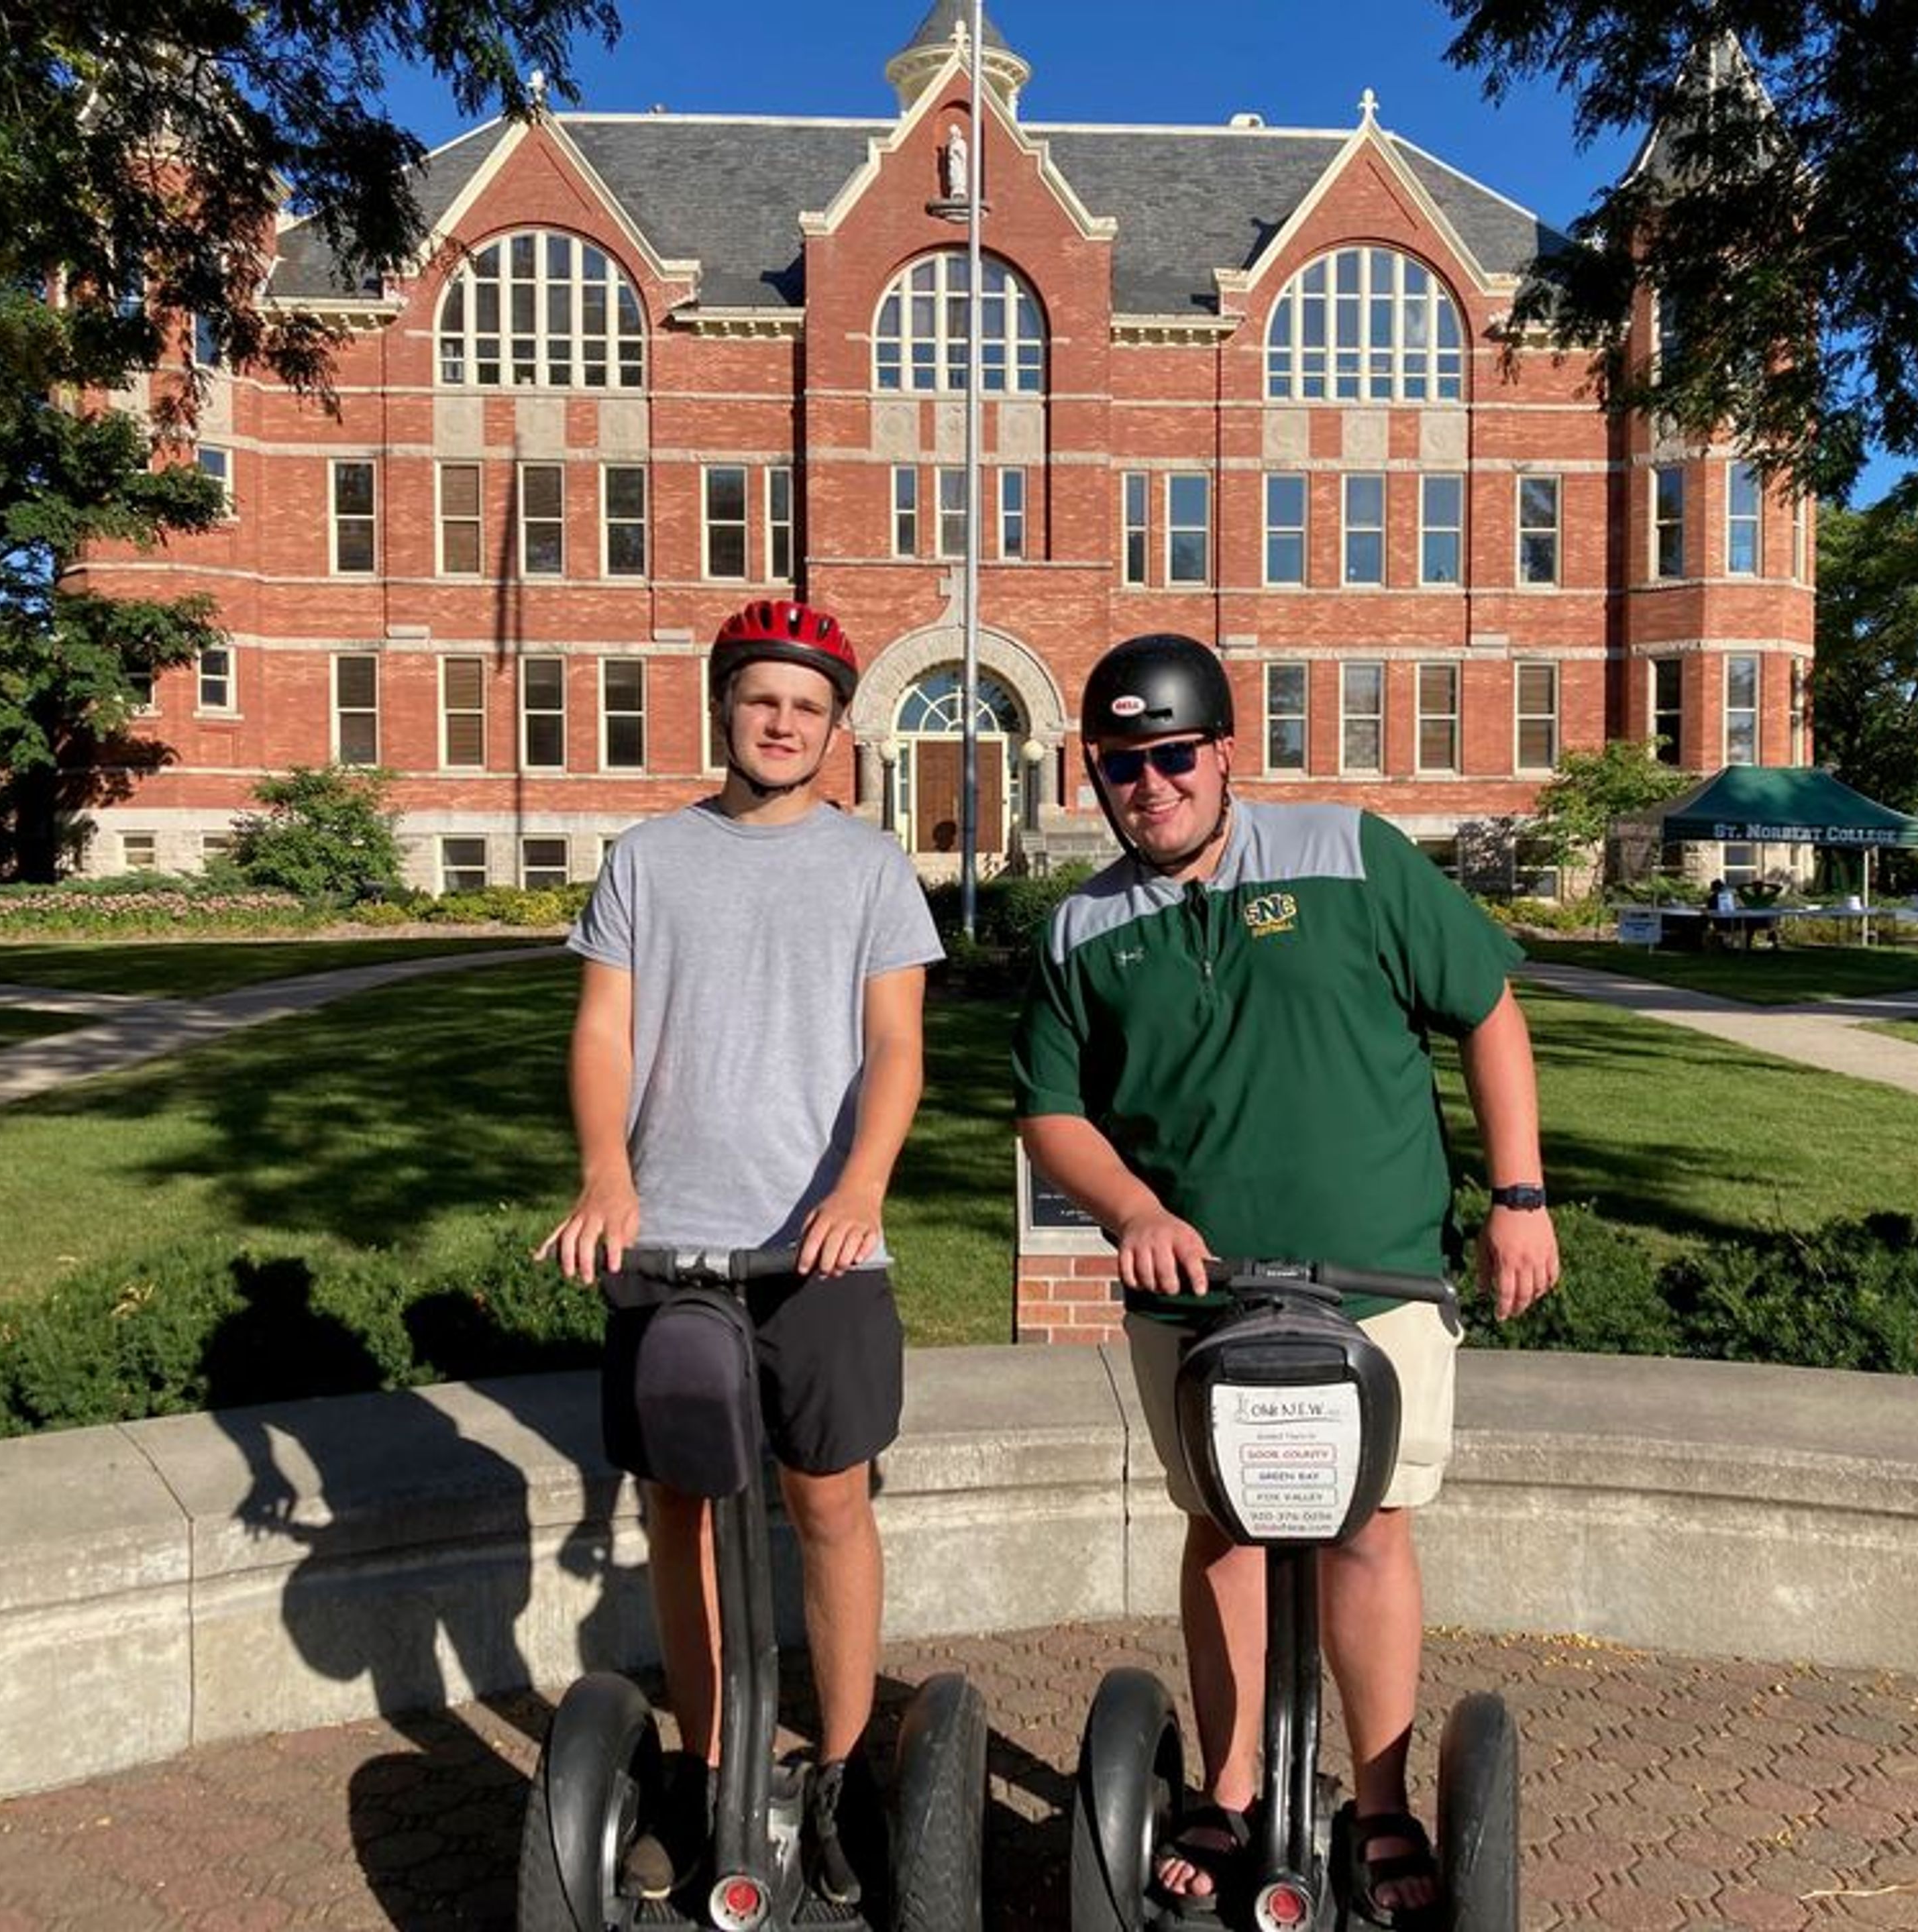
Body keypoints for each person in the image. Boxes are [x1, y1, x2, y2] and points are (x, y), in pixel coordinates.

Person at [1012, 633, 1560, 1927]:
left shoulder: (1349, 854)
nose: (1148, 784)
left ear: (1221, 754)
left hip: (1376, 1283)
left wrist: (1519, 1196)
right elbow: (1051, 1112)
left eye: (1171, 756)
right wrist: (1135, 1210)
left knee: (1370, 1530)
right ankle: (1233, 1786)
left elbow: (1485, 1007)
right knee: (1224, 1532)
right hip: (1196, 1300)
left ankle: (1377, 1801)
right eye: (1119, 764)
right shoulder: (1081, 930)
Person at [541, 597, 942, 1907]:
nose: (784, 723)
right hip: (675, 1245)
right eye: (764, 699)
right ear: (726, 707)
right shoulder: (650, 859)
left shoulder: (870, 866)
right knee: (683, 1511)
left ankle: (837, 1770)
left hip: (822, 1249)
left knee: (829, 1501)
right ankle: (711, 1766)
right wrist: (610, 1172)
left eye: (809, 707)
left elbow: (896, 1049)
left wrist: (862, 1187)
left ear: (836, 728)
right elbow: (606, 1032)